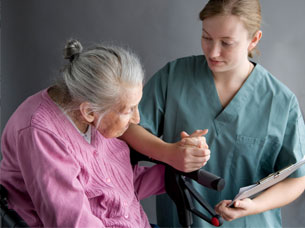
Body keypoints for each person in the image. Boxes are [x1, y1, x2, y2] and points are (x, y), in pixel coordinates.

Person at [121, 0, 305, 227]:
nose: (213, 51)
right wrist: (169, 153)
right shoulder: (174, 77)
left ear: (254, 40)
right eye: (206, 37)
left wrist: (253, 206)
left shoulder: (281, 102)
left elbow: (297, 180)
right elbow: (126, 126)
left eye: (226, 43)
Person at [0, 39, 172, 228]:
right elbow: (71, 221)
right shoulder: (40, 131)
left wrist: (177, 167)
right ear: (89, 112)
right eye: (128, 110)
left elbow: (117, 186)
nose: (137, 119)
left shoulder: (94, 112)